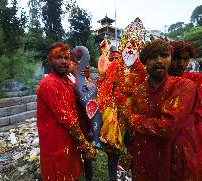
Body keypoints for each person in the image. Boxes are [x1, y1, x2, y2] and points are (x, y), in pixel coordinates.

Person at [121, 39, 202, 180]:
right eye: (152, 57)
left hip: (173, 160)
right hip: (144, 161)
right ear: (145, 62)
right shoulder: (139, 91)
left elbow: (167, 127)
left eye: (164, 56)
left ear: (170, 59)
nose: (159, 61)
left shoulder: (184, 86)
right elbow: (132, 131)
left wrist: (131, 117)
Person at [36, 42, 96, 181]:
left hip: (70, 147)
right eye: (58, 57)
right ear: (49, 60)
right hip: (57, 150)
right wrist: (85, 145)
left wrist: (85, 77)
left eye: (66, 57)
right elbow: (68, 119)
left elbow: (89, 96)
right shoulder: (50, 84)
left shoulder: (68, 83)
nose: (63, 61)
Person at [97, 17, 146, 181]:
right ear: (123, 46)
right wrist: (109, 108)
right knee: (113, 153)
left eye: (134, 47)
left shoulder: (143, 71)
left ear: (139, 49)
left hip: (136, 116)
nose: (130, 50)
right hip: (115, 114)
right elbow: (105, 88)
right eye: (128, 46)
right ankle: (112, 178)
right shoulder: (113, 66)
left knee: (135, 151)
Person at [169, 41, 202, 181]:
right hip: (165, 140)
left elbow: (198, 114)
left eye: (185, 59)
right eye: (176, 58)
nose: (180, 63)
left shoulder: (197, 80)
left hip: (190, 138)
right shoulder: (159, 79)